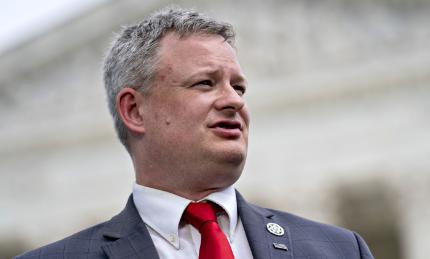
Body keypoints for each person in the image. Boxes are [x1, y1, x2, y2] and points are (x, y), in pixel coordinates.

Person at [16, 7, 374, 259]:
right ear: (135, 110)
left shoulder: (340, 250)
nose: (234, 101)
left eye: (240, 87)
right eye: (205, 83)